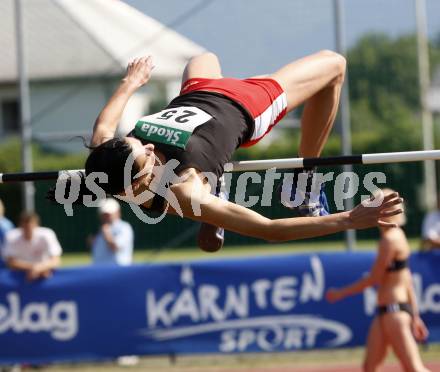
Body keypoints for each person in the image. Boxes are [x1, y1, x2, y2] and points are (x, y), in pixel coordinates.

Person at [72, 51, 403, 250]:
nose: (146, 142)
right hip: (247, 105)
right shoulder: (187, 189)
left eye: (135, 138)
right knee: (335, 65)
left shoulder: (107, 165)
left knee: (204, 58)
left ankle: (219, 191)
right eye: (145, 151)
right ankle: (303, 183)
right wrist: (347, 219)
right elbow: (268, 230)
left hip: (199, 93)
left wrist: (131, 83)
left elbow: (102, 131)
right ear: (141, 177)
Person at [326, 189, 430, 372]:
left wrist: (340, 293)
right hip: (387, 312)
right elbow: (406, 279)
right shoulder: (397, 235)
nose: (369, 210)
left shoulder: (389, 240)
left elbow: (374, 278)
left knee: (413, 368)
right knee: (370, 367)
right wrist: (415, 316)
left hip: (394, 312)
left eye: (374, 205)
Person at [2, 212, 62, 281]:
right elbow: (10, 262)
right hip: (20, 277)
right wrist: (35, 268)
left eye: (31, 224)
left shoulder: (47, 234)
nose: (29, 228)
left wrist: (39, 268)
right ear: (20, 225)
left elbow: (56, 260)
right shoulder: (11, 236)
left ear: (37, 225)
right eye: (25, 225)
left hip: (45, 275)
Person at [89, 198, 134, 266]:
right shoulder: (100, 229)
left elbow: (115, 247)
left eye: (108, 214)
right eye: (103, 214)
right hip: (99, 271)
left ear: (117, 212)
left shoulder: (124, 228)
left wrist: (106, 234)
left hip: (118, 271)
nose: (105, 216)